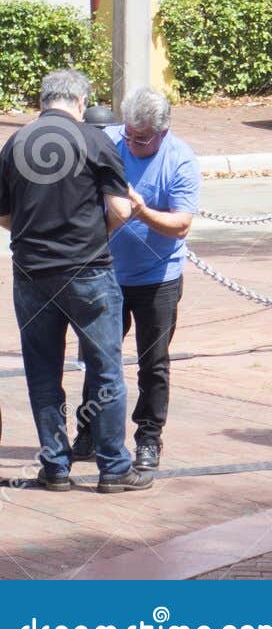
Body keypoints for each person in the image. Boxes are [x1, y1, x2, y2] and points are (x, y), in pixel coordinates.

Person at [0, 69, 152, 493]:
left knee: (43, 371)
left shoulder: (15, 144)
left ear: (44, 100)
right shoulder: (94, 140)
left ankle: (55, 465)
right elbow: (120, 210)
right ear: (81, 102)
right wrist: (89, 237)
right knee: (105, 369)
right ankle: (113, 467)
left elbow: (4, 215)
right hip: (88, 271)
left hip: (31, 273)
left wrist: (38, 238)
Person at [70, 86, 200, 472]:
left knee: (153, 362)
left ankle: (148, 437)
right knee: (99, 357)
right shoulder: (110, 143)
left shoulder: (180, 159)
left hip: (158, 278)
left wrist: (141, 211)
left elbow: (181, 224)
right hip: (107, 272)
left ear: (163, 131)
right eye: (129, 133)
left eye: (142, 138)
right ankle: (90, 430)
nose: (133, 142)